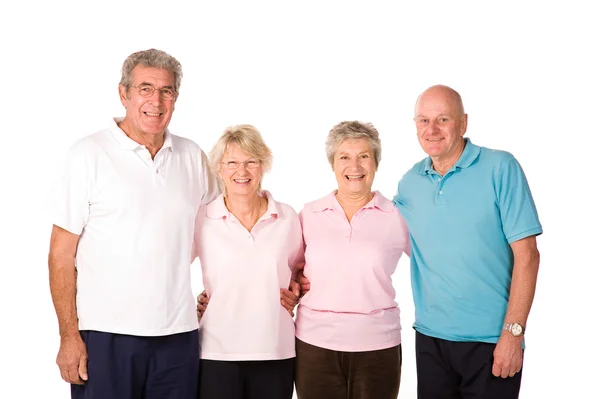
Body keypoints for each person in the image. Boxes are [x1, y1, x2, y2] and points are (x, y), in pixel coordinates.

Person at [48, 48, 218, 399]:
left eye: (166, 91)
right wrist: (69, 335)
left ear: (176, 98)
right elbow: (61, 255)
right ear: (123, 93)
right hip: (105, 335)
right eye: (144, 88)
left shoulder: (193, 157)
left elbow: (220, 232)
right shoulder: (88, 155)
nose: (156, 101)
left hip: (179, 335)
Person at [392, 85, 542, 398]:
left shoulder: (500, 167)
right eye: (423, 120)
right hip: (431, 338)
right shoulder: (410, 182)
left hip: (491, 341)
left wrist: (513, 334)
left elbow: (527, 256)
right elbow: (378, 236)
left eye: (442, 119)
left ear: (463, 123)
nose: (431, 129)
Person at [292, 121, 410, 399]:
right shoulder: (309, 214)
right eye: (344, 157)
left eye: (364, 156)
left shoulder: (397, 215)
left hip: (378, 345)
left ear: (376, 163)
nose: (354, 166)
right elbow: (289, 270)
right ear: (332, 164)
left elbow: (434, 264)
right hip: (314, 345)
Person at [193, 124, 304, 399]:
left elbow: (301, 271)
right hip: (216, 352)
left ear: (263, 166)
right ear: (219, 168)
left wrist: (296, 293)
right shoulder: (202, 218)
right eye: (231, 162)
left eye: (250, 162)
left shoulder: (287, 217)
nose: (241, 172)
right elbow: (169, 266)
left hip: (275, 349)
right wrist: (188, 307)